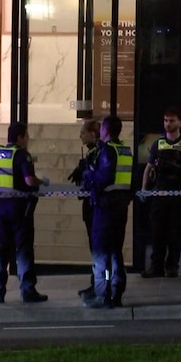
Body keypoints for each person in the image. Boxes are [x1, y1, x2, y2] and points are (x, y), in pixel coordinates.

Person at [0, 122, 49, 304]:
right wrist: (42, 182)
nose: (28, 139)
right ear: (20, 137)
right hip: (21, 209)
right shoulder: (22, 154)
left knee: (2, 250)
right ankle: (28, 291)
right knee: (24, 250)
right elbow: (29, 180)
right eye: (27, 135)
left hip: (2, 208)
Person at [140, 107, 181, 278]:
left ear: (180, 122)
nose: (168, 124)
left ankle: (172, 266)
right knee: (157, 232)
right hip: (159, 194)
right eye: (166, 120)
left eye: (172, 120)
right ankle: (155, 267)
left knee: (175, 233)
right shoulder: (157, 143)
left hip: (179, 194)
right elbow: (149, 168)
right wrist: (145, 189)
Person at [82, 115, 133, 309]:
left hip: (105, 207)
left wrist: (89, 173)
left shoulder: (107, 151)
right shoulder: (125, 150)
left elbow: (103, 177)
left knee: (101, 253)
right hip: (121, 207)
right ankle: (116, 293)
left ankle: (103, 295)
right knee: (115, 252)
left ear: (105, 130)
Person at [68, 119, 101, 300]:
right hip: (92, 207)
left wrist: (86, 170)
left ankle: (101, 285)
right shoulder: (93, 154)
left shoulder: (99, 154)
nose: (81, 135)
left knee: (100, 252)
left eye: (83, 132)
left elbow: (98, 179)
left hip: (97, 208)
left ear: (93, 133)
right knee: (96, 251)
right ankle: (97, 283)